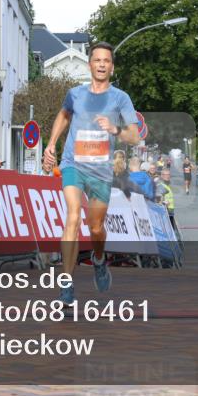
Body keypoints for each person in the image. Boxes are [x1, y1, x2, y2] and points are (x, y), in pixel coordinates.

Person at [43, 42, 140, 305]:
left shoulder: (121, 98)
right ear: (90, 64)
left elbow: (134, 135)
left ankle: (98, 258)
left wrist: (115, 129)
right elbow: (63, 116)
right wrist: (51, 144)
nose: (101, 64)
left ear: (112, 66)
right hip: (73, 164)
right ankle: (66, 285)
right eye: (97, 60)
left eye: (106, 61)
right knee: (72, 216)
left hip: (100, 169)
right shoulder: (74, 93)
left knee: (96, 227)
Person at [157, 167, 181, 243]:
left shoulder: (167, 185)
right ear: (161, 176)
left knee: (171, 229)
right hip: (165, 211)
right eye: (165, 175)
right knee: (168, 230)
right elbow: (157, 198)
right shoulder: (161, 185)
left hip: (170, 211)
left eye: (168, 175)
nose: (167, 176)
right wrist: (164, 202)